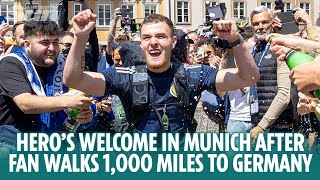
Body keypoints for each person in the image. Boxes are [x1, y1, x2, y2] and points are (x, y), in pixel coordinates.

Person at [63, 10, 259, 133]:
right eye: (147, 37)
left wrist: (235, 40)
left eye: (160, 36)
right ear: (140, 44)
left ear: (173, 42)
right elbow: (74, 79)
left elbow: (248, 77)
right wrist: (80, 38)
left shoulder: (193, 73)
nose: (153, 42)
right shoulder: (124, 75)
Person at [0, 20, 93, 132]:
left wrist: (82, 114)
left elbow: (75, 94)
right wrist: (68, 101)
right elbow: (25, 103)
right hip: (12, 141)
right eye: (45, 43)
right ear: (27, 44)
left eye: (55, 42)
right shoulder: (10, 63)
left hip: (48, 142)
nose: (52, 49)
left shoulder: (60, 63)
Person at [249, 6, 293, 143]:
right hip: (259, 126)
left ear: (272, 23)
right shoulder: (256, 50)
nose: (260, 27)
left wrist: (262, 125)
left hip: (278, 128)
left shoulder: (280, 48)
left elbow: (284, 94)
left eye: (264, 22)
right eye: (256, 24)